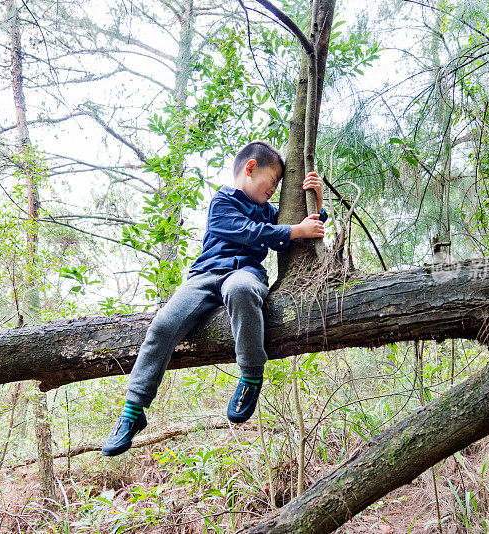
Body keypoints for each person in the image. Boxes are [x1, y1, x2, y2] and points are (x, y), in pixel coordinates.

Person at [101, 140, 326, 456]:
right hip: (205, 277)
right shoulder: (223, 202)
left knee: (241, 290)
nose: (274, 189)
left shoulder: (270, 213)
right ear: (250, 168)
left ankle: (250, 375)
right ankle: (133, 410)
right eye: (272, 181)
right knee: (163, 324)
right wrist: (294, 231)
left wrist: (316, 197)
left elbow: (308, 227)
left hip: (243, 273)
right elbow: (250, 232)